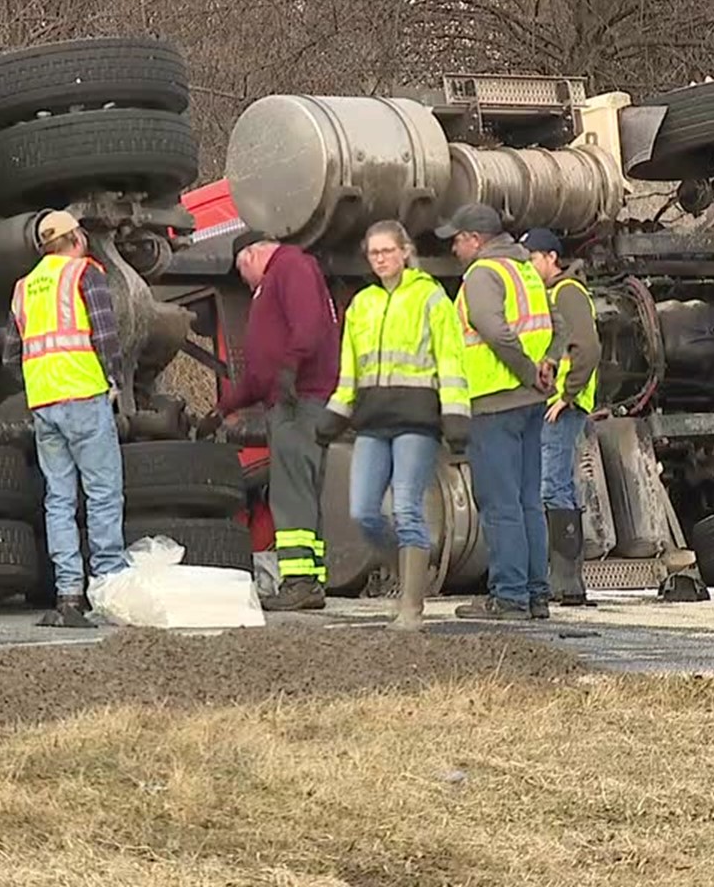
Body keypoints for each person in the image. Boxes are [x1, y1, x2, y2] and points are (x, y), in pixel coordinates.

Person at [323, 220, 470, 631]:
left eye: (388, 251)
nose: (381, 259)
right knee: (364, 511)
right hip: (373, 421)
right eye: (374, 253)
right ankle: (408, 574)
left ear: (405, 251)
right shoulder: (362, 305)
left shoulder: (430, 298)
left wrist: (456, 413)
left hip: (417, 421)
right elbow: (349, 370)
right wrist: (336, 411)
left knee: (407, 508)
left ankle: (411, 607)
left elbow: (451, 359)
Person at [3, 210, 130, 628]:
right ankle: (109, 584)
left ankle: (69, 594)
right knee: (102, 492)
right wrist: (114, 379)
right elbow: (106, 335)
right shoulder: (83, 274)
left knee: (59, 500)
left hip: (45, 403)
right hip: (84, 395)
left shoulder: (23, 288)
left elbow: (9, 357)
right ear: (76, 238)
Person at [436, 203, 559, 621]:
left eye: (457, 239)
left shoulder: (482, 275)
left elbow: (493, 331)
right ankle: (536, 594)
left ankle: (508, 596)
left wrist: (526, 371)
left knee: (499, 502)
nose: (454, 247)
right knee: (528, 502)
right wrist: (548, 367)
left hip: (495, 401)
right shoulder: (524, 269)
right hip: (529, 403)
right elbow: (555, 323)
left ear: (475, 239)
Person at [217, 228, 341, 611]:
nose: (244, 280)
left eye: (242, 271)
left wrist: (289, 368)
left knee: (292, 492)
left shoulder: (290, 268)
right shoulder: (282, 277)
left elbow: (309, 324)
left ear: (251, 256)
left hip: (298, 402)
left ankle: (299, 582)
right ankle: (310, 579)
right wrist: (225, 408)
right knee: (301, 488)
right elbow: (257, 374)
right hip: (291, 398)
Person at [524, 227, 602, 612]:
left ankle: (565, 581)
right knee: (557, 487)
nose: (528, 266)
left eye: (532, 258)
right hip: (554, 402)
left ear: (550, 258)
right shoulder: (549, 295)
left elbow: (586, 348)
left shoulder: (566, 293)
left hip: (562, 406)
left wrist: (567, 396)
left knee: (552, 488)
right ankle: (566, 583)